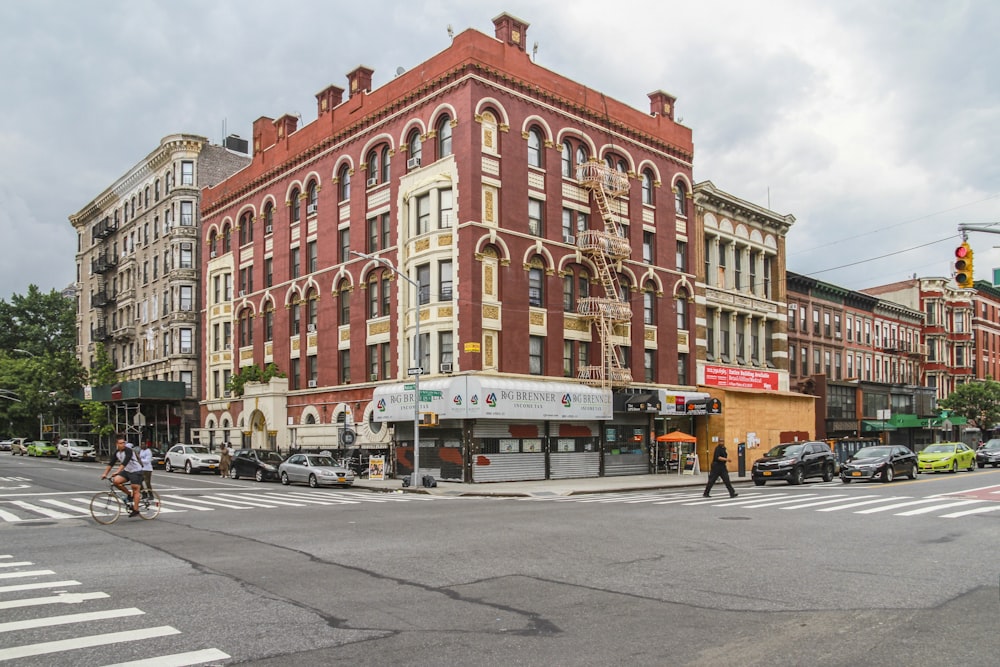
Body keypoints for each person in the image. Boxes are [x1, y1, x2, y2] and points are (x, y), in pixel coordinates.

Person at [101, 435, 143, 517]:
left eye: (124, 443)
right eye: (121, 443)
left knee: (135, 488)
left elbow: (125, 462)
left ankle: (136, 509)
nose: (123, 444)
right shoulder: (117, 453)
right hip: (127, 471)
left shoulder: (128, 451)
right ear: (117, 444)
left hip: (136, 470)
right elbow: (111, 463)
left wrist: (117, 472)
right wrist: (105, 473)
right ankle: (129, 494)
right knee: (116, 481)